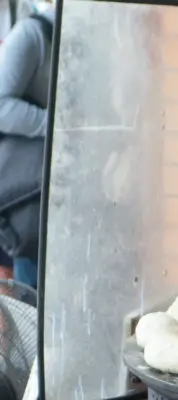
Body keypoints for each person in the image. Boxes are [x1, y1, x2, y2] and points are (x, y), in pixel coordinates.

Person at [0, 0, 53, 288]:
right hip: (31, 198)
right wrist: (56, 126)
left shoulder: (97, 38)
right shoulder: (31, 34)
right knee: (32, 299)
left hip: (73, 191)